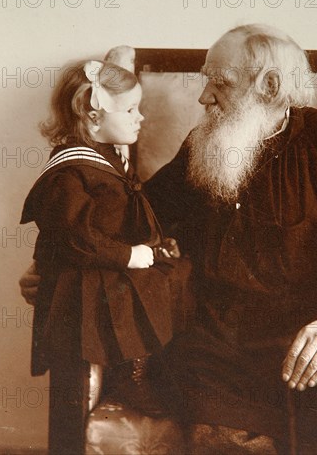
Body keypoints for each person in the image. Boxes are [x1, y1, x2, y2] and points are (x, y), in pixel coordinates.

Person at [21, 25, 317, 454]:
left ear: (269, 86)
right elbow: (141, 221)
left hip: (316, 333)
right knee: (218, 435)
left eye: (220, 83)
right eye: (206, 81)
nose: (204, 97)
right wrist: (54, 263)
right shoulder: (205, 145)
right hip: (224, 344)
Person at [19, 56, 190, 432]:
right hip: (88, 277)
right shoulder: (70, 171)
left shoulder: (108, 155)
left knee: (175, 274)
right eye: (130, 109)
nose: (140, 117)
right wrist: (129, 254)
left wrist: (155, 244)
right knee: (140, 289)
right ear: (94, 117)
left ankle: (159, 370)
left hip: (107, 266)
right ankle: (132, 376)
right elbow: (71, 236)